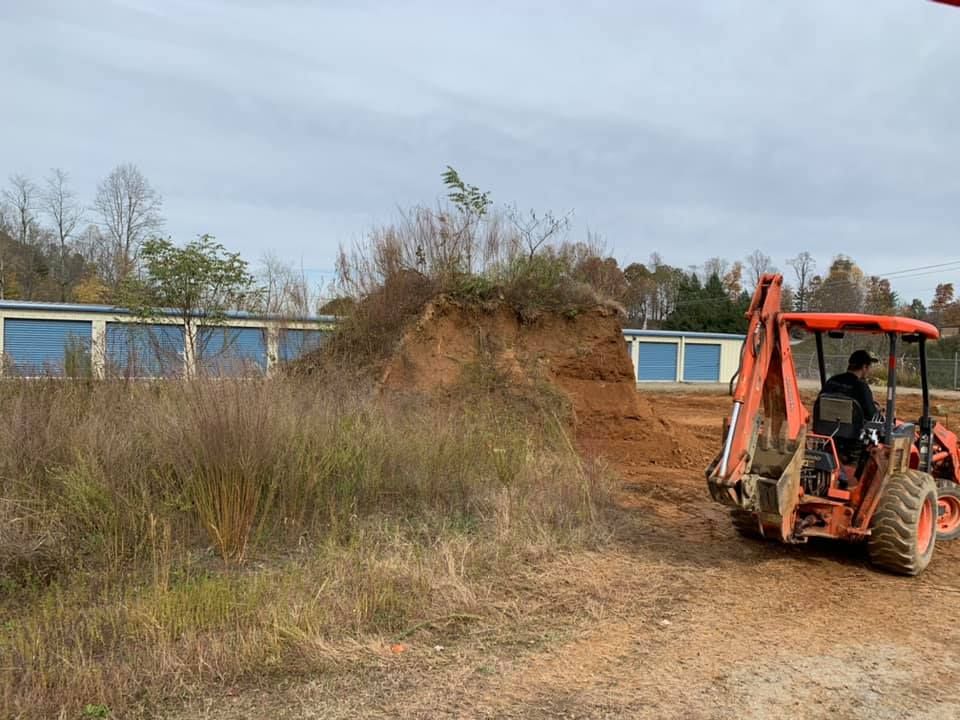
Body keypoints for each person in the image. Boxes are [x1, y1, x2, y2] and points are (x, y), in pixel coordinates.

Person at [821, 349, 881, 419]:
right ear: (864, 367)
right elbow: (872, 415)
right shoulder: (861, 386)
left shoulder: (832, 381)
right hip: (853, 429)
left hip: (826, 426)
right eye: (870, 367)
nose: (870, 370)